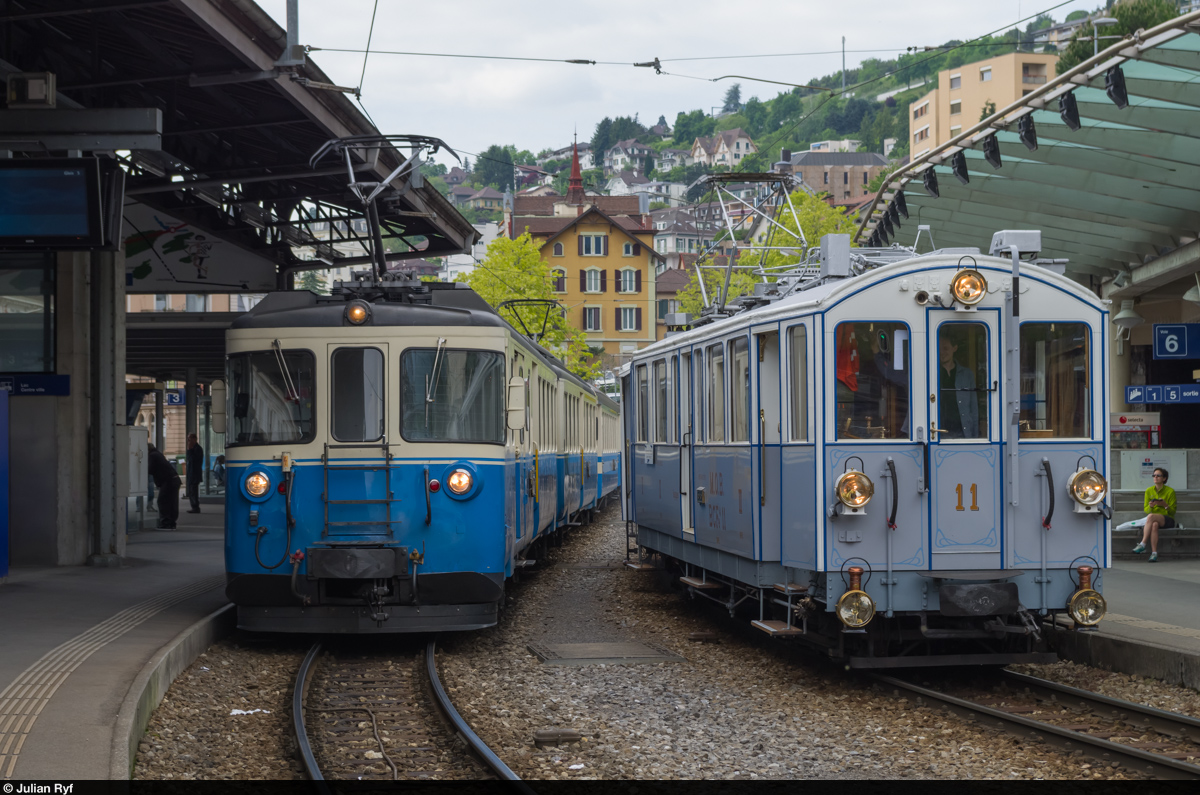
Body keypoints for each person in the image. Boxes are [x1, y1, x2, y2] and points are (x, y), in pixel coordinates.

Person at [937, 335, 979, 439]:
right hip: (938, 431)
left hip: (963, 431)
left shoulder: (967, 374)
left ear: (954, 348)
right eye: (939, 348)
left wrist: (975, 435)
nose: (942, 352)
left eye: (945, 348)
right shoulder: (931, 372)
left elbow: (973, 406)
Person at [1134, 467, 1176, 562]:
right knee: (1154, 525)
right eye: (1154, 475)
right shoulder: (1149, 491)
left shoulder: (1170, 491)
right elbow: (1146, 510)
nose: (1155, 477)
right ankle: (1154, 553)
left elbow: (1173, 512)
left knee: (1151, 516)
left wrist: (1165, 505)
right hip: (1153, 520)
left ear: (1164, 478)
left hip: (1168, 519)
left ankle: (1143, 544)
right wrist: (1151, 506)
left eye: (1158, 475)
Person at [147, 442, 181, 529]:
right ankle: (171, 522)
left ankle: (165, 522)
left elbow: (150, 469)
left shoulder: (152, 455)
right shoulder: (157, 454)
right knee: (171, 502)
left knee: (162, 501)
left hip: (168, 481)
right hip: (174, 479)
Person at [185, 433, 204, 513]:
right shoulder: (193, 449)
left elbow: (193, 460)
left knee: (193, 491)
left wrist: (189, 450)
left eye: (189, 439)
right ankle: (194, 506)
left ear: (194, 439)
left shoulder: (197, 449)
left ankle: (195, 507)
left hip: (194, 474)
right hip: (191, 473)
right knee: (191, 491)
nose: (188, 441)